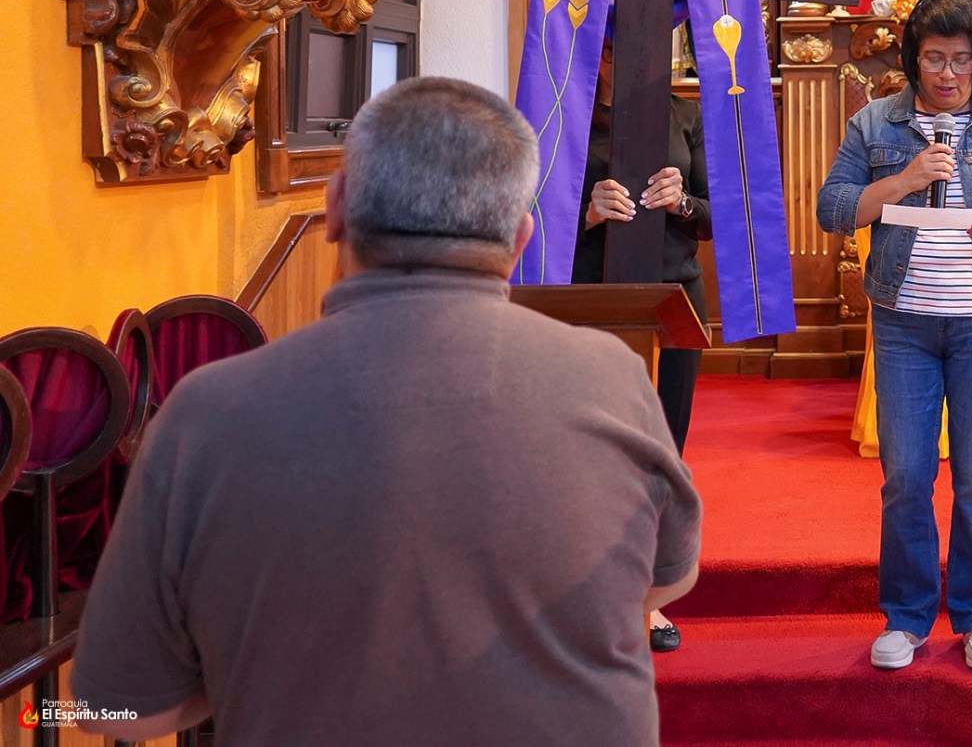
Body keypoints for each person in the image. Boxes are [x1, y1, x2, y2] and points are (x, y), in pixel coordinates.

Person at [71, 77, 700, 745]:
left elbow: (115, 710)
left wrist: (245, 669)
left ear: (336, 208)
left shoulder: (205, 413)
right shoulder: (615, 378)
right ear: (521, 237)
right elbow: (666, 578)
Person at [815, 0, 972, 674]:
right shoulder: (875, 122)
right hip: (905, 324)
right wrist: (903, 179)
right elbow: (833, 209)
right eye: (933, 59)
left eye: (960, 60)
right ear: (912, 59)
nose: (947, 74)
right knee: (905, 475)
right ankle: (906, 615)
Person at [575, 36, 710, 653]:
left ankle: (647, 596)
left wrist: (681, 202)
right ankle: (584, 587)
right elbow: (526, 212)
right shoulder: (563, 109)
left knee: (662, 446)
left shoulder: (685, 114)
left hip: (672, 295)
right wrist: (587, 213)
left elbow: (719, 216)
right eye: (609, 49)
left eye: (632, 47)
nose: (622, 59)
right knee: (589, 449)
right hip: (588, 298)